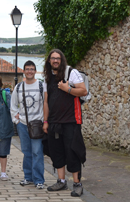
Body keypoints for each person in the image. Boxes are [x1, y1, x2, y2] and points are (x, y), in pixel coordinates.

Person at [43, 49, 87, 197]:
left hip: (71, 121)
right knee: (57, 152)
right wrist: (45, 121)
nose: (55, 61)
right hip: (54, 122)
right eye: (53, 58)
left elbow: (83, 91)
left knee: (73, 151)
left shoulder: (71, 73)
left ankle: (77, 184)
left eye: (58, 58)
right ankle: (61, 181)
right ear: (49, 61)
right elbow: (46, 101)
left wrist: (67, 88)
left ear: (62, 60)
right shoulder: (48, 78)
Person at [10, 60, 45, 189]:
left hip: (37, 124)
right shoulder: (19, 87)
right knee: (26, 152)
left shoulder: (41, 86)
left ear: (35, 71)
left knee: (37, 151)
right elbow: (13, 105)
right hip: (23, 124)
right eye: (27, 69)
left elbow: (45, 104)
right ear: (24, 71)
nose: (29, 71)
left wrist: (43, 120)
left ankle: (39, 179)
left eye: (32, 69)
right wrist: (16, 120)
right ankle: (28, 177)